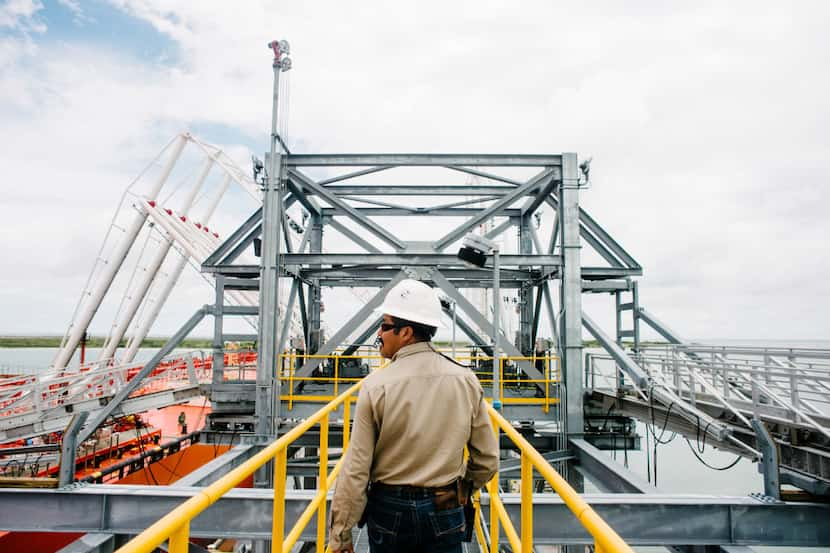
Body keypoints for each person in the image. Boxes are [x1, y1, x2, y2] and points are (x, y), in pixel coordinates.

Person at [328, 279, 500, 553]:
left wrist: (341, 534)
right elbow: (488, 460)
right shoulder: (466, 380)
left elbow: (356, 469)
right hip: (445, 506)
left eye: (385, 326)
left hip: (389, 510)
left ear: (406, 332)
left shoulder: (376, 385)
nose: (379, 333)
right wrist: (462, 489)